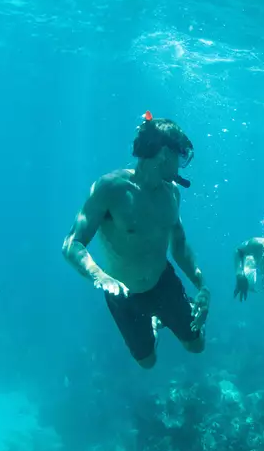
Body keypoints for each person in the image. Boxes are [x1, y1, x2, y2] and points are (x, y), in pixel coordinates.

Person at [61, 113, 210, 369]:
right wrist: (100, 276)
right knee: (147, 362)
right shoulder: (110, 188)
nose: (180, 165)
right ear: (164, 153)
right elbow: (71, 244)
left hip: (162, 282)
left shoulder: (172, 193)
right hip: (122, 292)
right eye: (180, 156)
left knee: (196, 346)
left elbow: (180, 244)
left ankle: (163, 317)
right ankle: (153, 325)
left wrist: (201, 285)